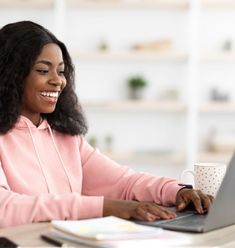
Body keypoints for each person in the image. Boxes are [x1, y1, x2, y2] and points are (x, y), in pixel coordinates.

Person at [0, 21, 212, 228]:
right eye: (43, 70)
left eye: (61, 71)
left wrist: (177, 191)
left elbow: (124, 182)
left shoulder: (67, 139)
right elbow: (5, 208)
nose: (58, 81)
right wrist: (105, 207)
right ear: (11, 74)